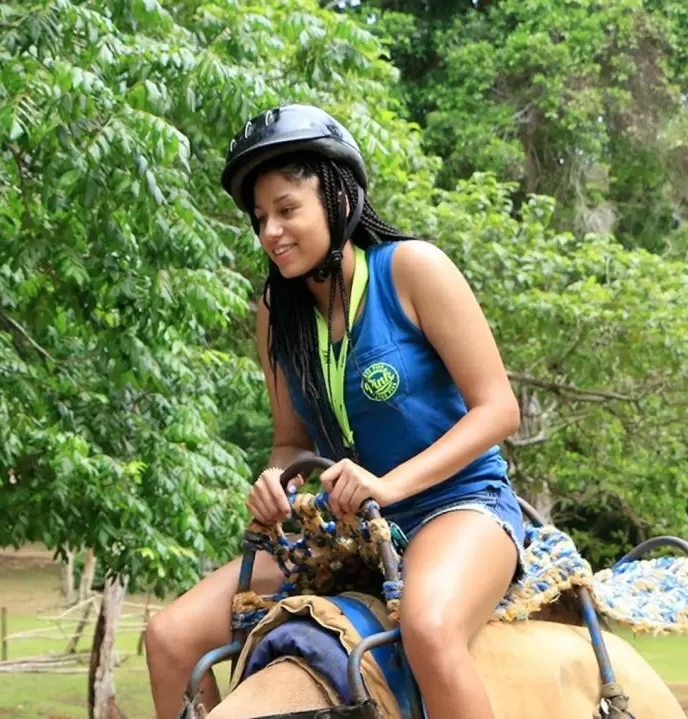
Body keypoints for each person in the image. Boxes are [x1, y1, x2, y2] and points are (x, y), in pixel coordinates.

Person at [144, 104, 526, 719]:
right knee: (167, 638)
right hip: (343, 530)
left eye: (287, 209)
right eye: (260, 217)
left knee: (428, 628)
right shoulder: (275, 314)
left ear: (339, 200)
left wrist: (388, 483)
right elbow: (289, 442)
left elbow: (498, 409)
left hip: (458, 507)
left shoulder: (412, 269)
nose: (271, 231)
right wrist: (276, 480)